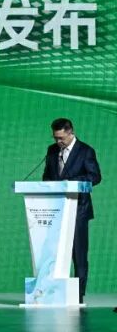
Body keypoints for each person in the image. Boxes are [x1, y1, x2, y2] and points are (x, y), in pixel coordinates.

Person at [42, 118, 102, 304]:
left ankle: (78, 295)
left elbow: (95, 176)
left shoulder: (85, 151)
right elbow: (47, 176)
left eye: (61, 138)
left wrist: (71, 183)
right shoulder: (52, 150)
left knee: (78, 254)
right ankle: (51, 293)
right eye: (55, 138)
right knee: (53, 253)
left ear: (71, 133)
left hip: (78, 210)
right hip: (55, 209)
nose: (58, 141)